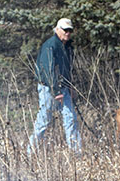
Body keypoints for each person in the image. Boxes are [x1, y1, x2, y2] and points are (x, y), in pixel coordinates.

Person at [27, 17, 82, 154]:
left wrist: (70, 87)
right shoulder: (50, 45)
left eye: (70, 30)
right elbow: (48, 70)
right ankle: (30, 153)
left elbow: (67, 70)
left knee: (71, 119)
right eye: (65, 30)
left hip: (64, 88)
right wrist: (55, 90)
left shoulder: (68, 47)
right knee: (44, 121)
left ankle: (77, 155)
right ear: (57, 29)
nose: (68, 33)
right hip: (48, 88)